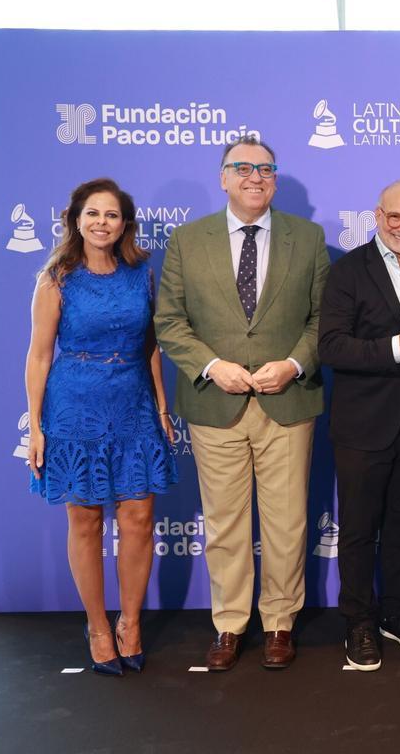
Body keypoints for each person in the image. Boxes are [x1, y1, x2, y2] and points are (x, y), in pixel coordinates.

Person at [155, 135, 329, 671]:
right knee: (225, 523)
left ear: (275, 179)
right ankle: (229, 624)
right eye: (244, 167)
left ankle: (279, 622)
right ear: (224, 177)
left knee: (286, 523)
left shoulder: (308, 237)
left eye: (266, 169)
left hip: (288, 401)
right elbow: (169, 321)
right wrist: (212, 365)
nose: (256, 177)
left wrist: (294, 364)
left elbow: (324, 319)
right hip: (215, 404)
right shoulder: (188, 240)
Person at [25, 178, 177, 675]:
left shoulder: (141, 275)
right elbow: (40, 355)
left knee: (138, 519)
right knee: (86, 520)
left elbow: (150, 346)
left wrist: (161, 407)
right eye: (92, 213)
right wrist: (37, 426)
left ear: (124, 223)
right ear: (75, 219)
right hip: (75, 407)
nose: (101, 223)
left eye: (111, 215)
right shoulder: (56, 278)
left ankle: (130, 623)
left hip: (133, 405)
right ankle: (96, 626)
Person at [318, 179, 400, 671]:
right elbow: (330, 346)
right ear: (377, 216)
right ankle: (358, 621)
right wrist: (398, 347)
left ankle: (396, 614)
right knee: (358, 530)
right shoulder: (348, 271)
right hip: (363, 425)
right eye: (395, 217)